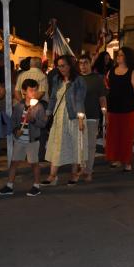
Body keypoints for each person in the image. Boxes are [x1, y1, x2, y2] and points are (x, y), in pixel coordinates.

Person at [0, 79, 48, 196]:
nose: (34, 93)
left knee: (34, 163)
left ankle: (36, 185)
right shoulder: (19, 106)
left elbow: (43, 124)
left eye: (35, 90)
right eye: (31, 90)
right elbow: (14, 121)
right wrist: (15, 130)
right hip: (20, 140)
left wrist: (33, 120)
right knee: (14, 162)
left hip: (32, 140)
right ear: (24, 91)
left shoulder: (39, 107)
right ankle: (9, 185)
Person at [43, 55, 88, 186]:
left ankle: (74, 175)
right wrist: (48, 113)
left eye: (63, 65)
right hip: (59, 117)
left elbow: (80, 100)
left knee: (74, 145)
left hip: (73, 117)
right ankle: (52, 176)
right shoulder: (56, 79)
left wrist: (80, 118)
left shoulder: (79, 80)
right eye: (59, 66)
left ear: (70, 66)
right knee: (57, 145)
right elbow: (52, 98)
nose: (60, 68)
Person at [105, 47, 134, 172]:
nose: (118, 56)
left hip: (129, 109)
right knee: (114, 135)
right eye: (118, 54)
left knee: (127, 136)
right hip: (114, 107)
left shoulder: (133, 73)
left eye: (121, 55)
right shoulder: (111, 71)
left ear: (127, 57)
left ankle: (127, 161)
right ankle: (115, 159)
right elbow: (107, 88)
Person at [79, 54, 108, 182]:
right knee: (80, 144)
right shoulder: (77, 79)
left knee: (90, 145)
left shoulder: (97, 79)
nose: (83, 66)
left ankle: (88, 171)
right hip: (78, 117)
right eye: (80, 63)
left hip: (92, 115)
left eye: (85, 62)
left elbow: (102, 97)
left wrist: (105, 112)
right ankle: (82, 167)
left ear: (90, 63)